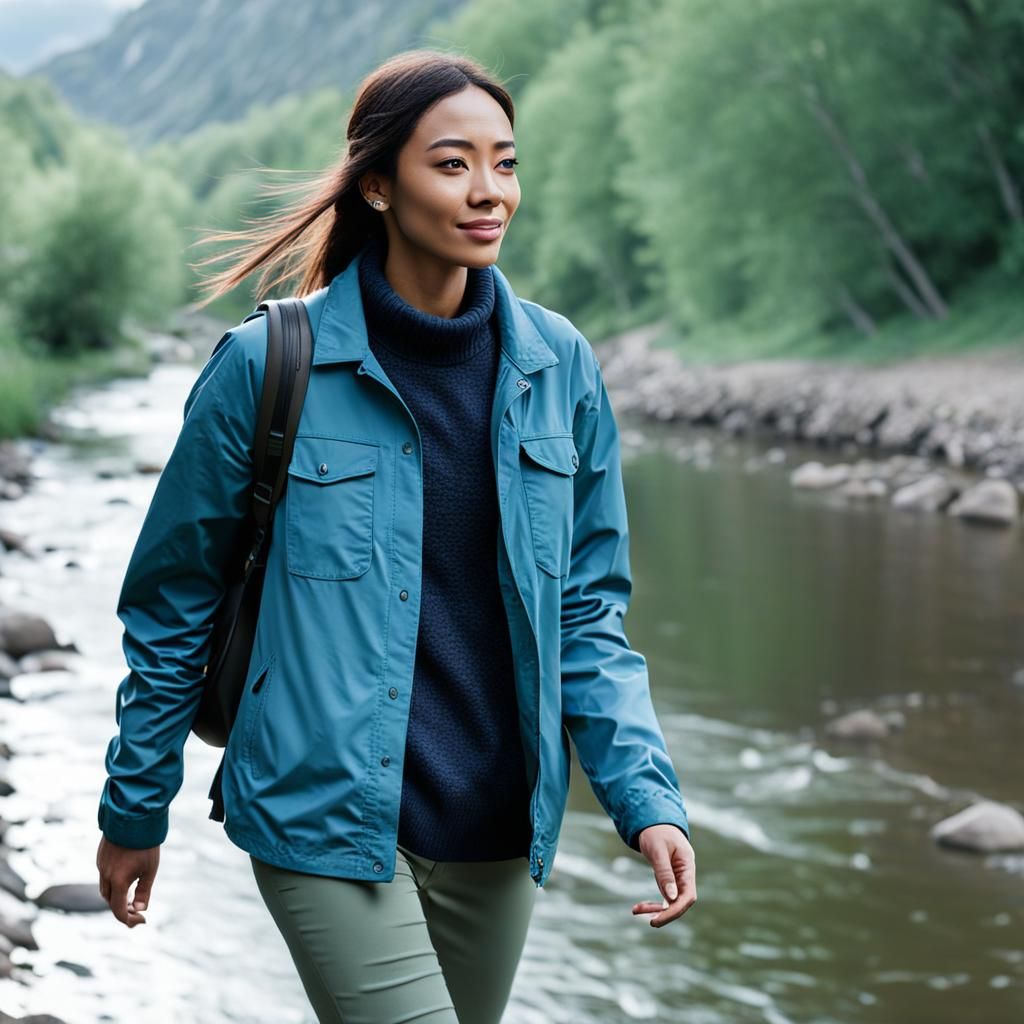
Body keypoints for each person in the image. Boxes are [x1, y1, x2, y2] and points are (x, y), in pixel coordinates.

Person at [95, 49, 697, 1024]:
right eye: (453, 164)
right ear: (377, 185)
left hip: (499, 831)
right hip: (323, 818)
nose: (489, 191)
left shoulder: (561, 368)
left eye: (505, 163)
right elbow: (174, 604)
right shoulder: (266, 365)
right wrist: (136, 801)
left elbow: (588, 614)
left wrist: (647, 797)